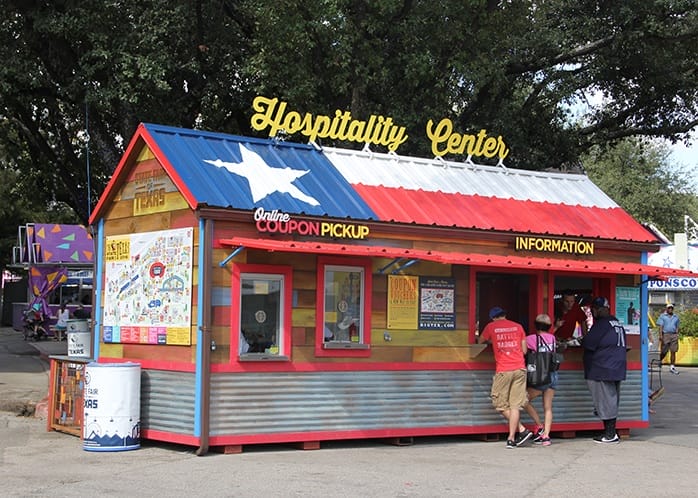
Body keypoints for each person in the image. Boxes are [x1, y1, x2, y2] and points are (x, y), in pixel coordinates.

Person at [479, 306, 533, 449]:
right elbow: (524, 350)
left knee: (500, 404)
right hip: (520, 368)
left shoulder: (491, 327)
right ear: (504, 315)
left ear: (493, 318)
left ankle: (522, 430)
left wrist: (494, 341)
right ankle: (511, 438)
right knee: (515, 405)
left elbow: (480, 341)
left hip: (504, 369)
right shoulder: (518, 326)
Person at [582, 296, 627, 444]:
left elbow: (588, 343)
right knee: (611, 400)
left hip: (602, 368)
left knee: (606, 401)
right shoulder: (616, 322)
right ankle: (609, 432)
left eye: (595, 309)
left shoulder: (602, 324)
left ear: (602, 309)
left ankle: (610, 434)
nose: (593, 312)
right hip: (616, 367)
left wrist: (583, 334)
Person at [523, 314, 558, 447]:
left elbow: (523, 350)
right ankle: (546, 436)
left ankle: (539, 425)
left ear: (535, 325)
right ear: (549, 327)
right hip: (553, 374)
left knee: (523, 400)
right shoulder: (553, 338)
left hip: (540, 376)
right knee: (548, 407)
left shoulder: (531, 338)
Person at [657, 303, 680, 375]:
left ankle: (672, 367)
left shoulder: (676, 317)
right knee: (664, 350)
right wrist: (661, 335)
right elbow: (661, 326)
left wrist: (677, 333)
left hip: (673, 335)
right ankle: (660, 360)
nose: (670, 309)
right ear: (666, 309)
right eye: (669, 308)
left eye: (671, 308)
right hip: (666, 334)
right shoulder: (663, 316)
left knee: (673, 351)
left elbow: (677, 326)